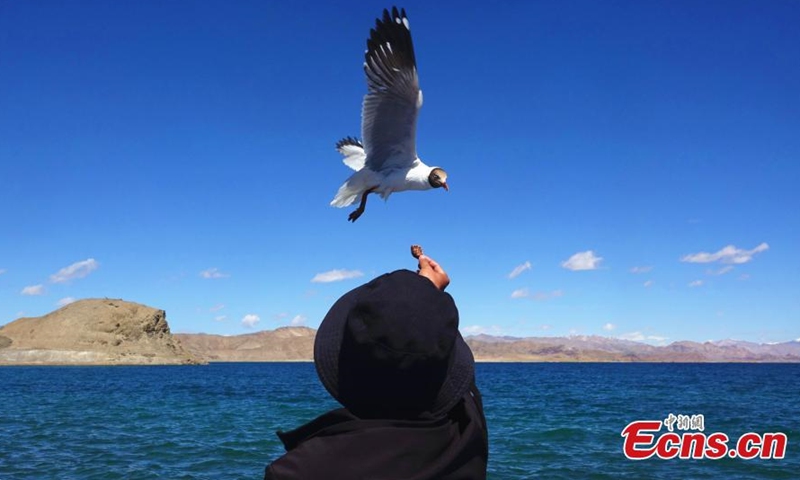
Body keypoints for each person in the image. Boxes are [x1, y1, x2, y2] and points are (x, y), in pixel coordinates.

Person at [264, 254, 489, 479]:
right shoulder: (467, 433)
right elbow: (450, 365)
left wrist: (426, 292)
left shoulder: (298, 471)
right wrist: (428, 296)